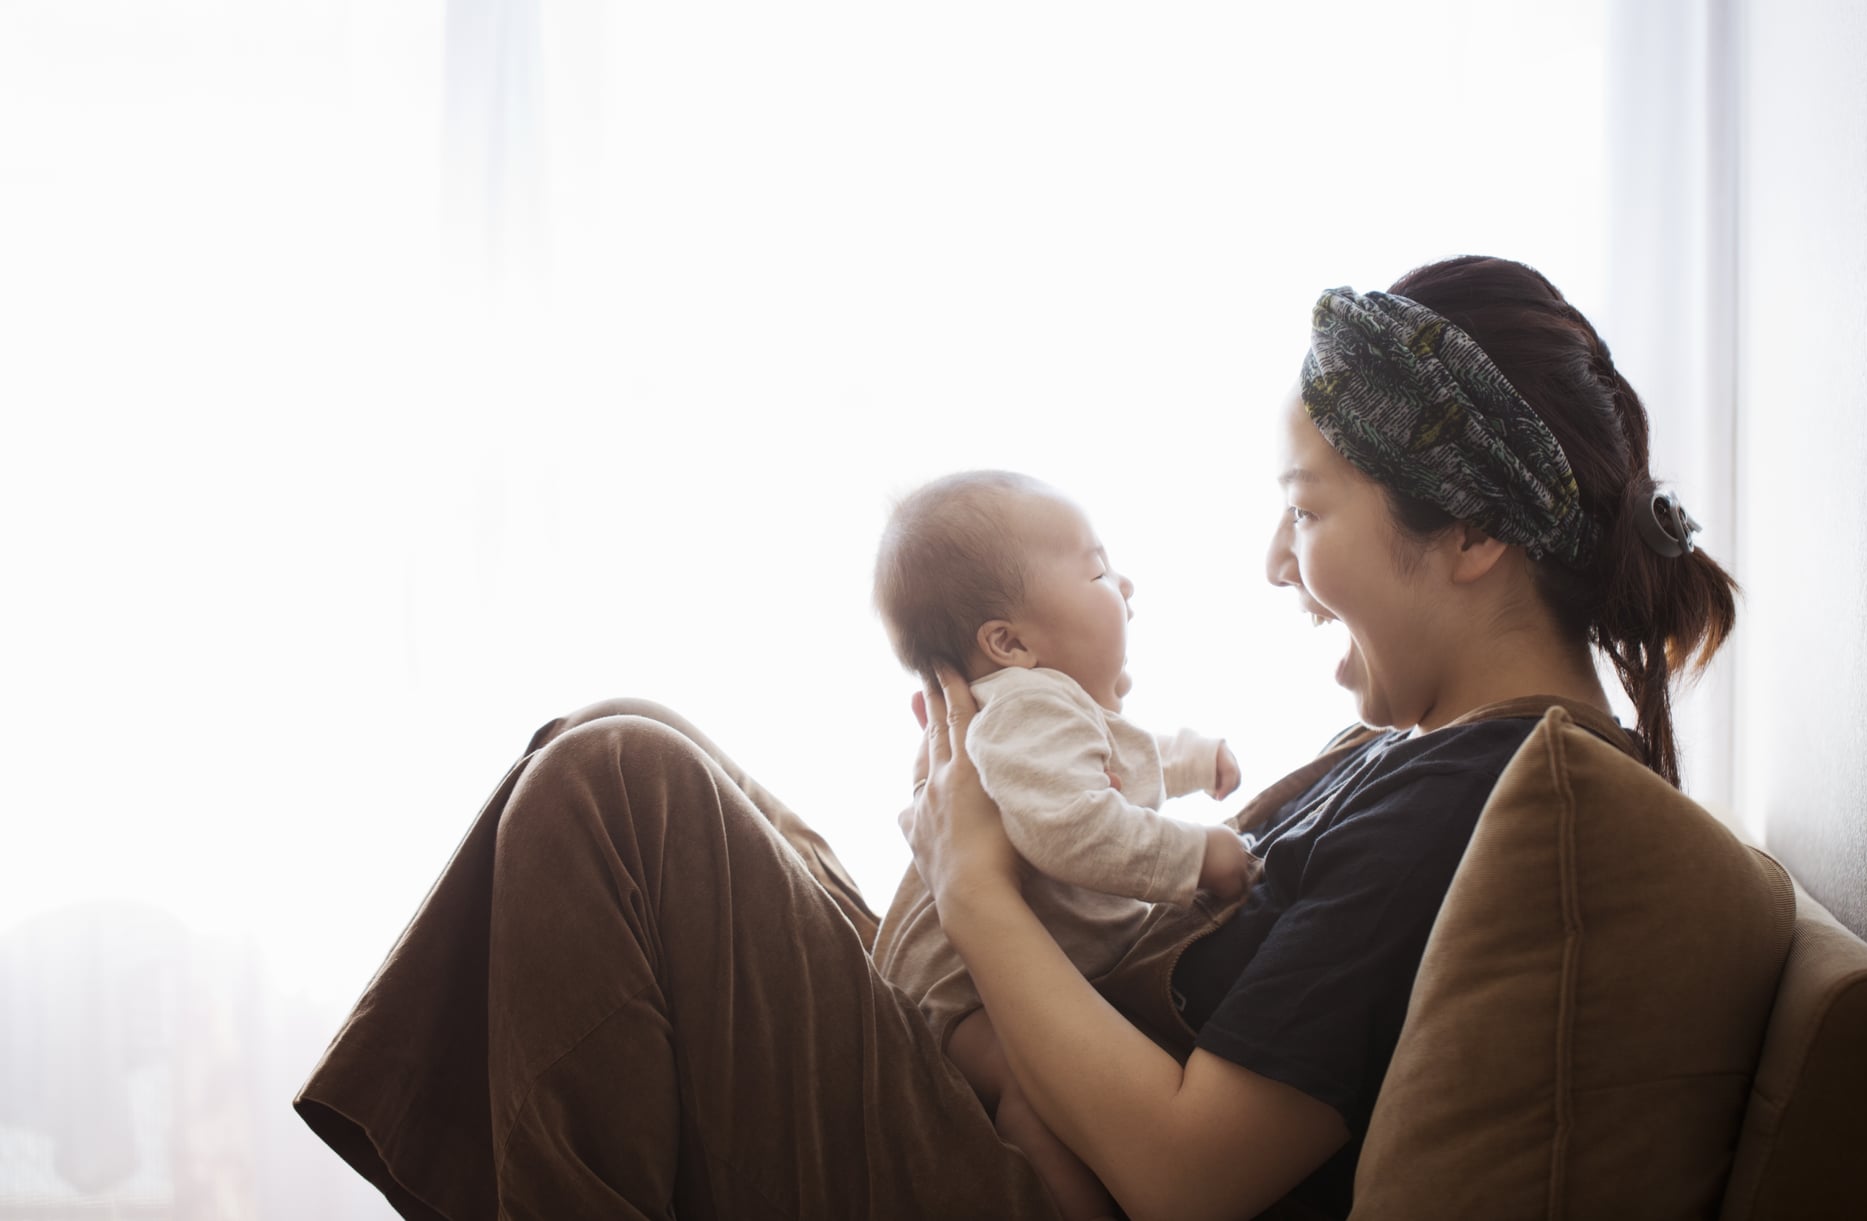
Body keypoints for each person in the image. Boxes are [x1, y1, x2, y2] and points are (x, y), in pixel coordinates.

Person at [294, 255, 1738, 1221]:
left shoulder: (1481, 801)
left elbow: (1184, 1172)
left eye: (1308, 510)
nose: (1274, 563)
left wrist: (979, 889)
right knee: (618, 736)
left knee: (619, 794)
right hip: (1013, 1095)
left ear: (1472, 531)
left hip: (1044, 1183)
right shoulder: (1442, 770)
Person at [869, 470, 1255, 1220]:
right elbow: (1072, 828)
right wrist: (1194, 854)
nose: (1128, 586)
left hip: (981, 972)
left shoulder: (1044, 708)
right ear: (1008, 642)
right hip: (949, 999)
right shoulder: (1024, 708)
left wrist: (1197, 758)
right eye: (1099, 571)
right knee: (1028, 1087)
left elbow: (1124, 758)